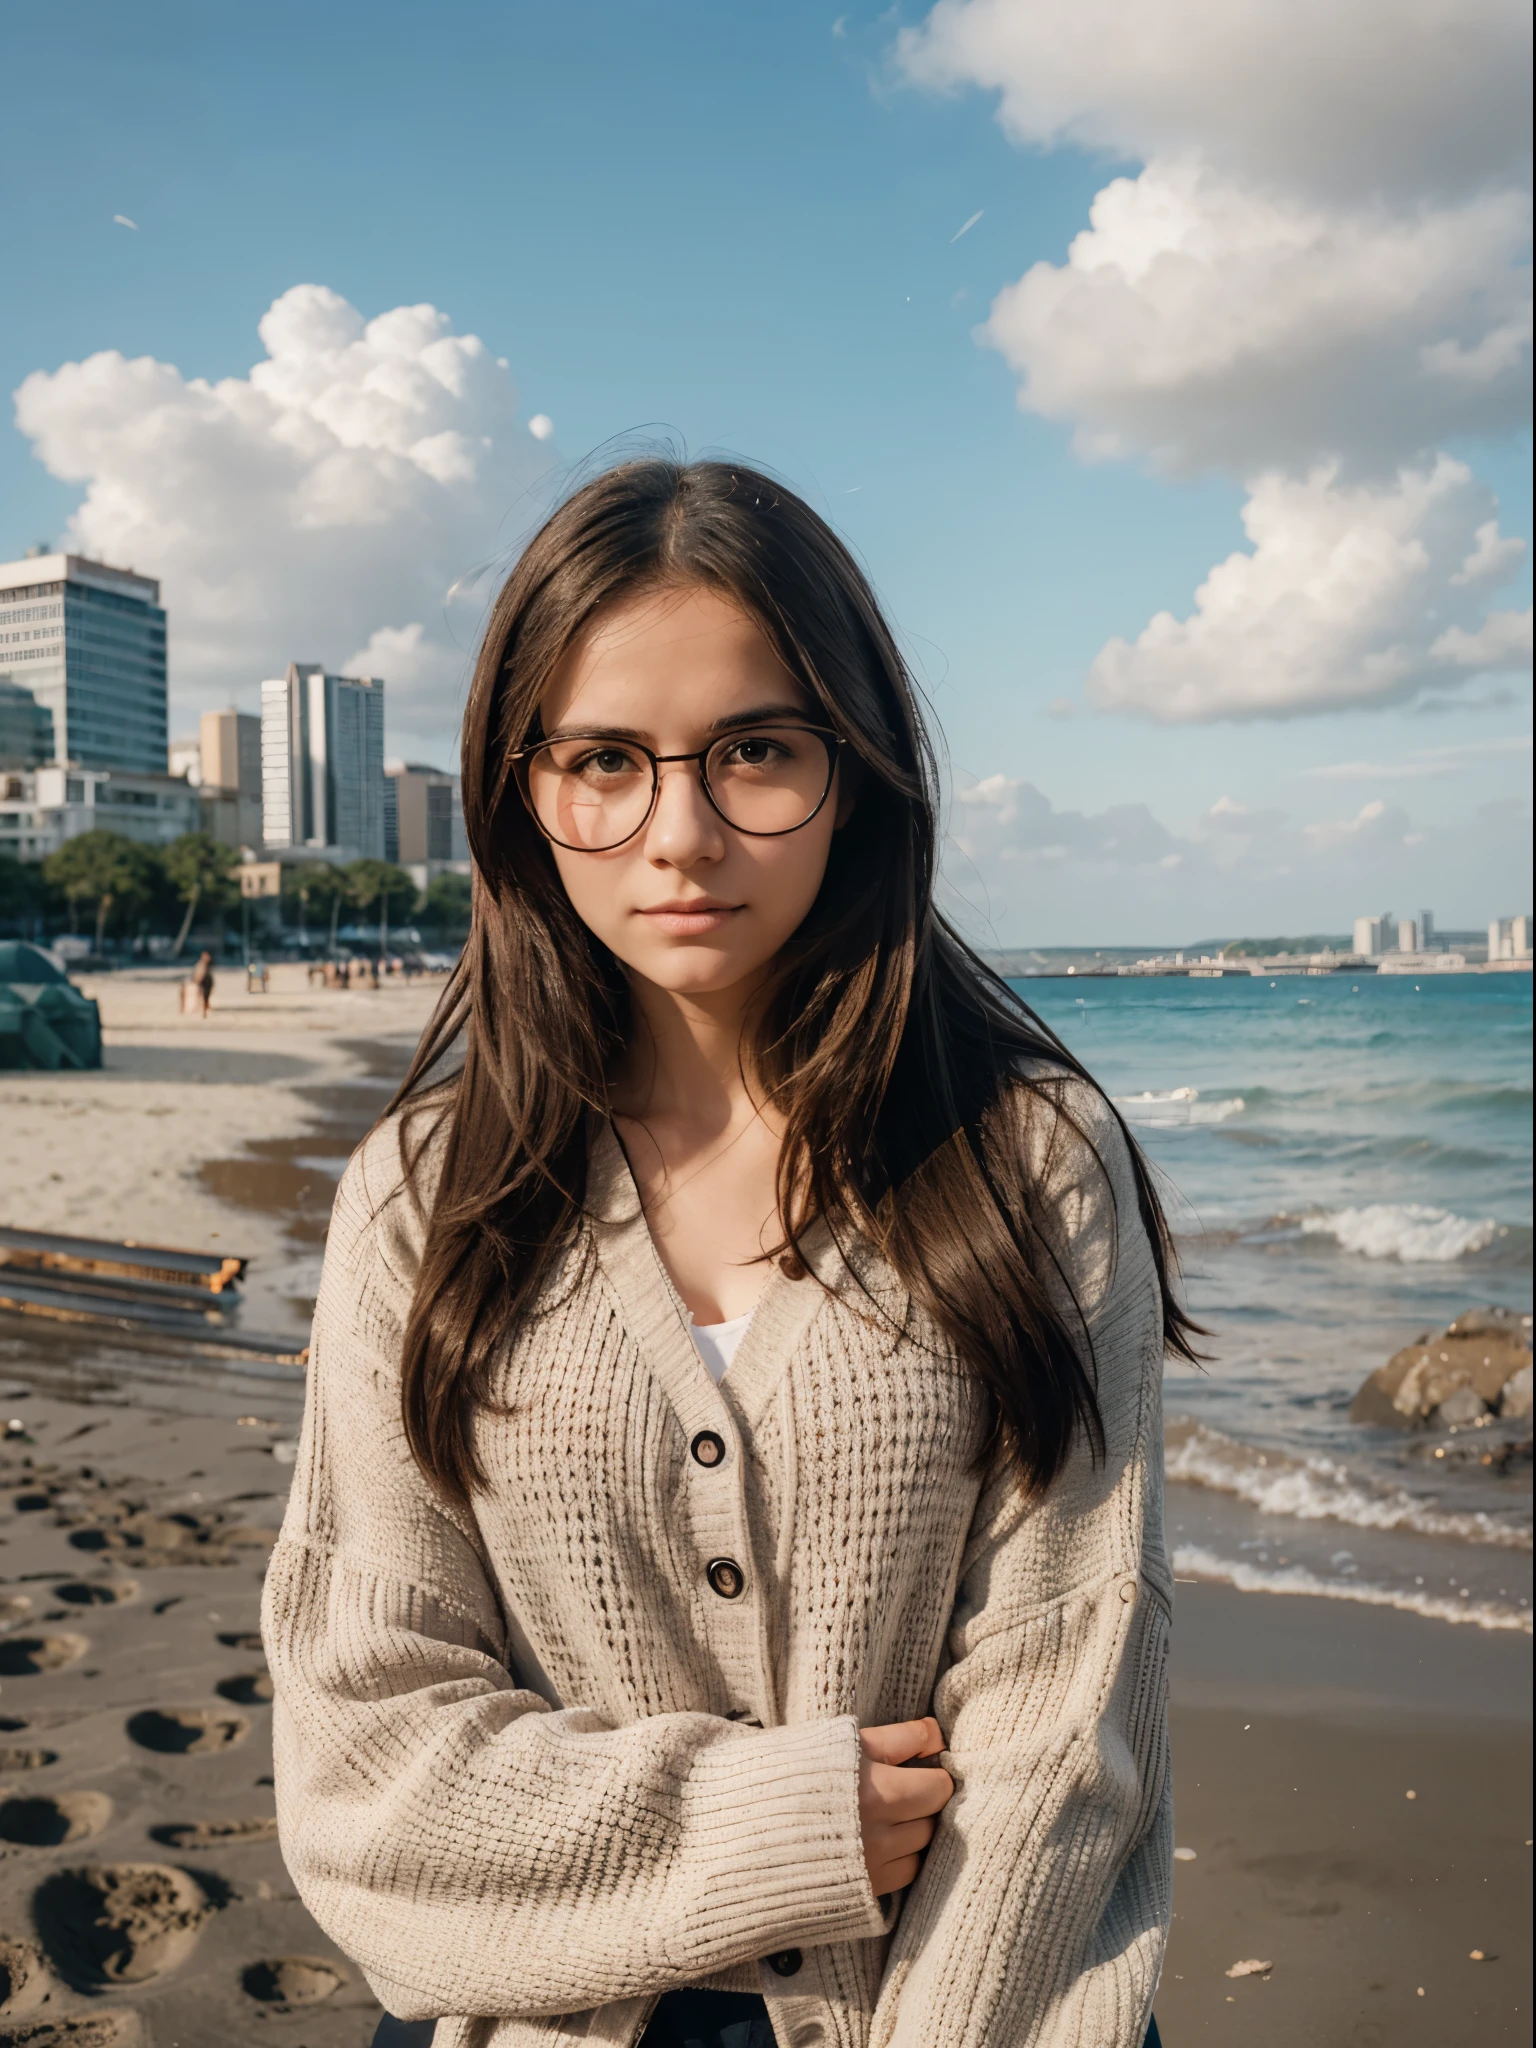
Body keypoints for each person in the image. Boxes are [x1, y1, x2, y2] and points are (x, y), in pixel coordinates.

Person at [264, 459, 1193, 2048]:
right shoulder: (425, 1201)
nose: (679, 833)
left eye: (756, 751)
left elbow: (1065, 1723)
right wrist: (783, 1822)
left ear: (861, 770)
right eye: (606, 760)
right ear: (520, 787)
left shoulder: (1030, 1167)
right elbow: (364, 1769)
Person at [190, 949, 215, 1020]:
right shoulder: (201, 965)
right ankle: (204, 1012)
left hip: (207, 984)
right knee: (203, 998)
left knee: (205, 998)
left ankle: (205, 1012)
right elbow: (198, 975)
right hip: (203, 984)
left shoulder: (206, 965)